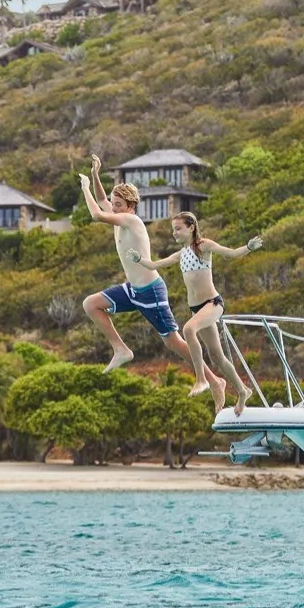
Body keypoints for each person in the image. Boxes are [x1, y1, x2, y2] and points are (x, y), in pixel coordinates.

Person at [79, 157, 225, 403]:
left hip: (150, 292)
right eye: (113, 204)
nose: (112, 207)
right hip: (132, 290)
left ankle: (214, 381)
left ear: (130, 206)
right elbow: (102, 201)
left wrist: (84, 187)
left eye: (118, 204)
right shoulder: (119, 215)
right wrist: (95, 175)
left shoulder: (131, 220)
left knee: (173, 343)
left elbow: (96, 213)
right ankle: (121, 349)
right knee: (91, 304)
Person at [129, 212, 263, 415]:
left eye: (178, 228)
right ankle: (243, 390)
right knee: (217, 357)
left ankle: (201, 379)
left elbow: (232, 253)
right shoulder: (180, 255)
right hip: (197, 308)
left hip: (212, 303)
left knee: (189, 329)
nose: (174, 233)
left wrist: (249, 248)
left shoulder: (203, 246)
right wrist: (139, 259)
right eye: (173, 229)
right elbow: (156, 264)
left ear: (191, 227)